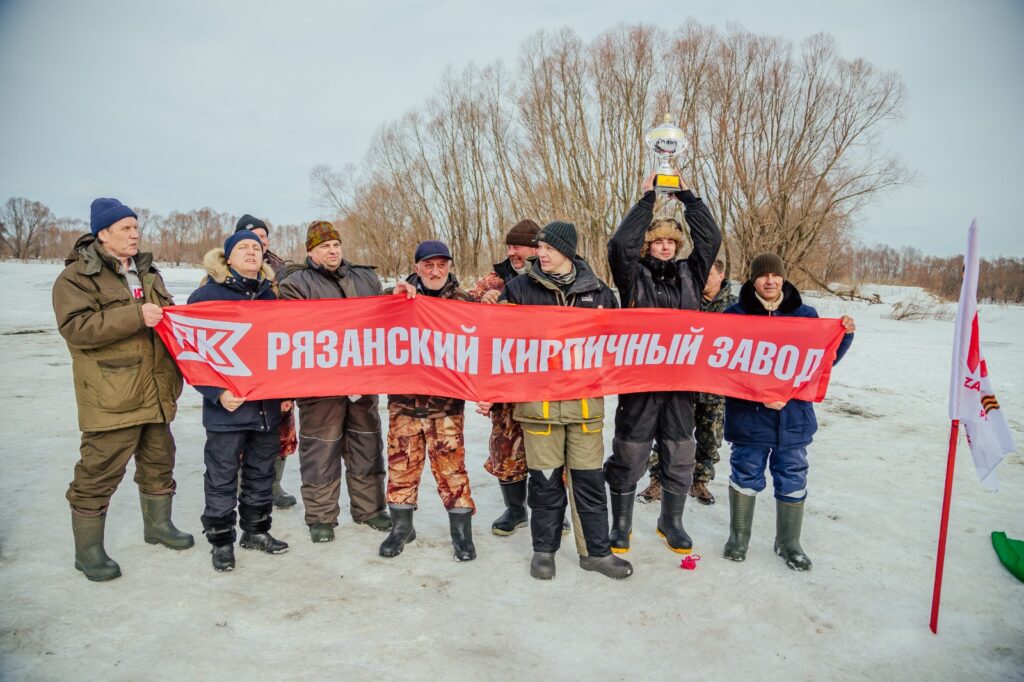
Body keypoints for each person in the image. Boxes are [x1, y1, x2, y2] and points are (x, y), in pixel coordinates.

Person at [53, 197, 193, 581]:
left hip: (155, 390)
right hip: (113, 394)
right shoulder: (76, 277)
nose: (135, 234)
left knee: (159, 461)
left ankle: (158, 526)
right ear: (103, 234)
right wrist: (136, 315)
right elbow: (77, 329)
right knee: (98, 471)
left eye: (136, 227)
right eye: (126, 229)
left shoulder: (148, 273)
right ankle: (89, 551)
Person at [495, 221, 632, 580]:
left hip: (585, 409)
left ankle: (596, 553)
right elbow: (495, 344)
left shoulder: (599, 293)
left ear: (567, 251)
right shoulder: (519, 289)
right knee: (544, 483)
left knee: (588, 484)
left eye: (548, 249)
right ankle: (544, 550)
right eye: (538, 248)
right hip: (538, 411)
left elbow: (619, 346)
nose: (540, 254)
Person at [603, 173, 722, 555]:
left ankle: (671, 520)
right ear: (648, 246)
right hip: (639, 383)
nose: (666, 247)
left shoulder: (692, 273)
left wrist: (687, 197)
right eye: (658, 242)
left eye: (671, 241)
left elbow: (711, 239)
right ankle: (620, 524)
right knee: (630, 453)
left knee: (679, 452)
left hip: (680, 384)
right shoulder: (632, 275)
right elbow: (620, 243)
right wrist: (647, 201)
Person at [722, 253, 855, 571]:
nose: (770, 280)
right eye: (763, 275)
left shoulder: (805, 315)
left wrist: (845, 334)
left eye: (775, 275)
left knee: (792, 475)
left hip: (792, 416)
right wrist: (761, 393)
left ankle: (788, 542)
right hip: (749, 416)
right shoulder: (734, 316)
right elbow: (724, 368)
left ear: (783, 279)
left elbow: (821, 362)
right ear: (753, 279)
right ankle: (739, 537)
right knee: (745, 472)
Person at [277, 221, 391, 542]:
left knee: (366, 443)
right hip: (320, 385)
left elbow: (385, 316)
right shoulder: (296, 283)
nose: (332, 250)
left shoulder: (365, 277)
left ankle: (369, 509)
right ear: (310, 251)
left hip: (362, 382)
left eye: (336, 245)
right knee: (320, 449)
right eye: (324, 246)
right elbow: (293, 328)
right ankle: (321, 517)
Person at [187, 231, 291, 571]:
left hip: (266, 406)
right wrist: (216, 393)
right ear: (227, 257)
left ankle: (256, 531)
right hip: (228, 408)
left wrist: (285, 392)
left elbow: (285, 350)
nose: (251, 252)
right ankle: (220, 541)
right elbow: (191, 353)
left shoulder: (271, 298)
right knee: (222, 476)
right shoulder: (206, 296)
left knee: (261, 474)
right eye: (243, 248)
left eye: (257, 248)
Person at [380, 240, 478, 561]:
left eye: (441, 265)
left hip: (446, 406)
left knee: (452, 470)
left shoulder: (464, 302)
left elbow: (486, 343)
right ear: (417, 267)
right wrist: (388, 299)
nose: (435, 271)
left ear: (449, 266)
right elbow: (368, 324)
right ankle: (401, 528)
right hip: (404, 403)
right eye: (428, 265)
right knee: (402, 467)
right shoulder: (399, 298)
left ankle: (461, 535)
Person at [638, 259, 736, 505]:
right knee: (670, 434)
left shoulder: (734, 307)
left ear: (721, 274)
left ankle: (700, 480)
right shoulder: (685, 299)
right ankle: (658, 478)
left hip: (715, 385)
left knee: (709, 437)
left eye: (708, 273)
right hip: (682, 383)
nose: (702, 279)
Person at [467, 219, 539, 535]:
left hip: (540, 379)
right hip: (503, 380)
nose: (512, 252)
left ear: (536, 248)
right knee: (506, 443)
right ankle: (515, 510)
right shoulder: (494, 279)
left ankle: (551, 508)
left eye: (518, 246)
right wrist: (479, 302)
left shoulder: (551, 275)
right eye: (509, 246)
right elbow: (463, 308)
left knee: (547, 445)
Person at [233, 214, 297, 510]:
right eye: (251, 236)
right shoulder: (222, 274)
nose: (259, 241)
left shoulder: (284, 272)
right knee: (241, 428)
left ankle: (273, 484)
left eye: (263, 235)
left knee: (280, 428)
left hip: (279, 364)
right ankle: (238, 484)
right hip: (243, 364)